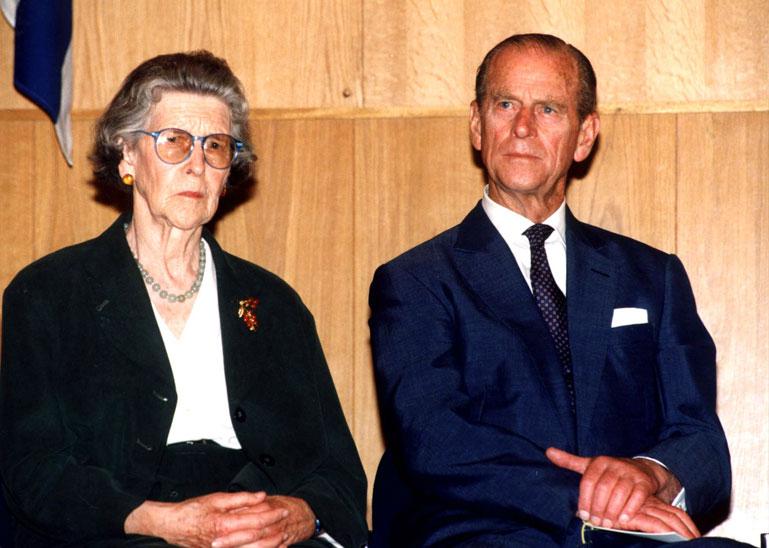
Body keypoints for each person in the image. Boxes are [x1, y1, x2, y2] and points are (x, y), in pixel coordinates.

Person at [368, 34, 733, 546]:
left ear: (585, 136)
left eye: (548, 109)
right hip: (482, 532)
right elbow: (434, 438)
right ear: (477, 124)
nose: (522, 127)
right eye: (505, 104)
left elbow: (701, 441)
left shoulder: (654, 276)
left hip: (635, 534)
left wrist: (651, 473)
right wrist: (586, 497)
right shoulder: (415, 280)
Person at [0, 51, 367, 548]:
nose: (196, 165)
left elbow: (336, 471)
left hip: (256, 532)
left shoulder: (273, 304)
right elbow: (32, 469)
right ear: (128, 156)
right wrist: (160, 521)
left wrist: (298, 515)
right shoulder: (49, 294)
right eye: (173, 141)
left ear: (228, 170)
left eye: (215, 146)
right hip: (119, 530)